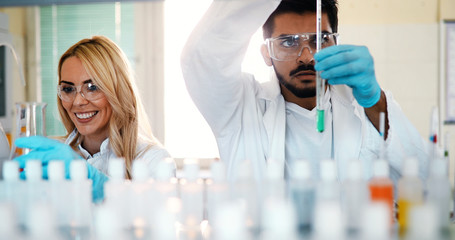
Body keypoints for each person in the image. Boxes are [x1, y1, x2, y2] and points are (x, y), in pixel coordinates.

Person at [181, 0, 428, 183]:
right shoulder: (239, 108)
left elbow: (426, 177)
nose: (307, 56)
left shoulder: (364, 104)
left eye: (319, 40)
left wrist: (375, 102)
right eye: (288, 42)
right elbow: (201, 56)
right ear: (266, 53)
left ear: (335, 44)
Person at [14, 36, 171, 202]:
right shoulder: (53, 157)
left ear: (118, 90)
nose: (78, 101)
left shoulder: (153, 159)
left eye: (92, 87)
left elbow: (154, 219)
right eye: (68, 89)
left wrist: (96, 183)